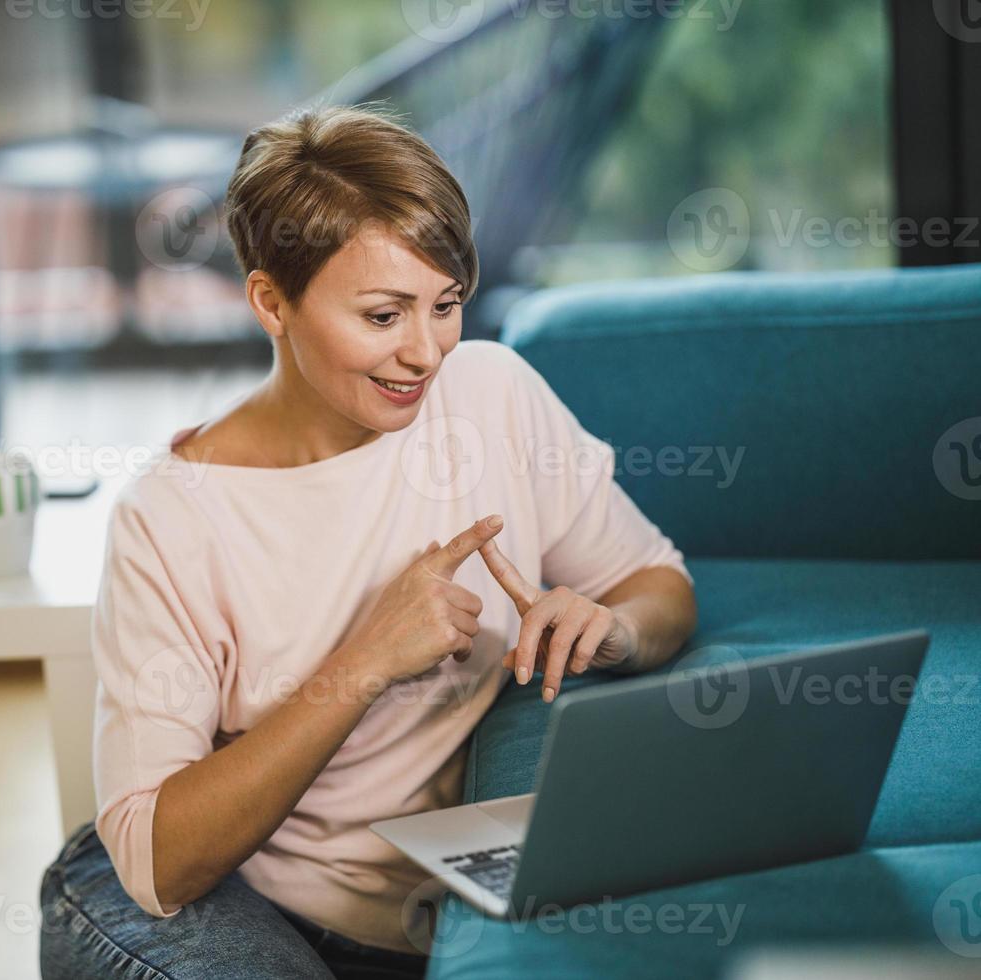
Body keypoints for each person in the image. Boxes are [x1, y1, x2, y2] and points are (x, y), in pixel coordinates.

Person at [39, 103, 698, 979]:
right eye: (383, 316)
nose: (426, 353)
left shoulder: (491, 395)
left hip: (422, 908)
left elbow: (660, 580)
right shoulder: (174, 517)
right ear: (272, 301)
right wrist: (364, 662)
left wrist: (611, 633)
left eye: (446, 304)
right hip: (224, 896)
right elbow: (159, 861)